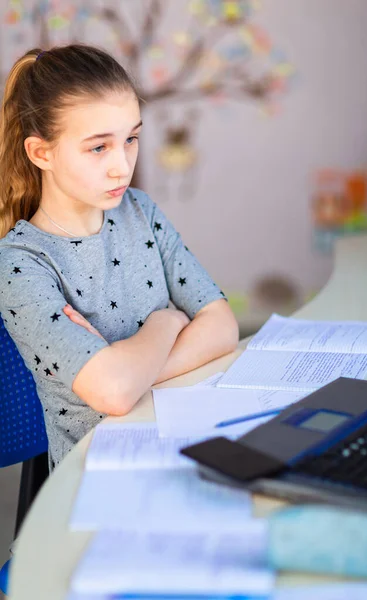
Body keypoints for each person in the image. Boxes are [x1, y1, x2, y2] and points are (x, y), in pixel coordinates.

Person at [0, 44, 239, 470]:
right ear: (42, 153)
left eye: (130, 139)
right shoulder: (21, 264)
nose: (122, 167)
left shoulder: (140, 212)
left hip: (175, 440)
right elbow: (112, 393)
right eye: (98, 148)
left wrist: (130, 368)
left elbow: (222, 325)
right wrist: (167, 321)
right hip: (93, 474)